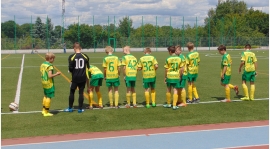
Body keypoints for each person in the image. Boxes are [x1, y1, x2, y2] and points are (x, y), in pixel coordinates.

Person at [64, 42, 90, 113]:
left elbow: (70, 69)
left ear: (74, 48)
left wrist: (71, 70)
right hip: (82, 77)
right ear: (80, 48)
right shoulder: (85, 56)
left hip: (75, 78)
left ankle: (70, 108)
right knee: (81, 93)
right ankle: (80, 109)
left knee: (72, 92)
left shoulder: (71, 57)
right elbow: (88, 67)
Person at [40, 52, 61, 116]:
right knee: (49, 96)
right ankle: (46, 112)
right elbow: (50, 76)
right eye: (53, 59)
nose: (53, 60)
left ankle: (43, 110)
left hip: (43, 81)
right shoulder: (50, 66)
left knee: (45, 95)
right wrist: (57, 74)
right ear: (50, 58)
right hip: (49, 83)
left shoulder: (43, 64)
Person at [163, 46, 183, 110]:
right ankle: (174, 105)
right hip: (176, 76)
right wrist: (180, 76)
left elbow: (166, 69)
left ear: (170, 51)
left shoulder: (168, 59)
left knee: (168, 89)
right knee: (175, 90)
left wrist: (165, 77)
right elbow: (181, 69)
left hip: (169, 76)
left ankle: (168, 104)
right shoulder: (179, 58)